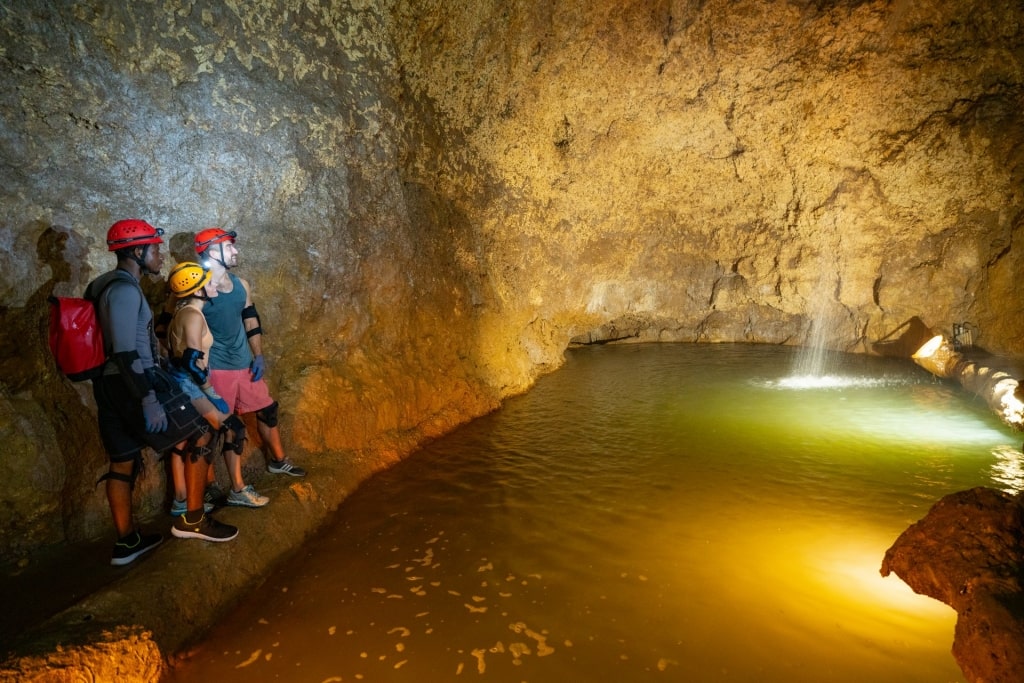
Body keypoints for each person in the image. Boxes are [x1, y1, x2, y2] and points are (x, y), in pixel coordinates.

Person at [86, 219, 236, 566]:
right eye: (154, 248)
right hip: (135, 380)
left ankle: (128, 542)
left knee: (122, 461)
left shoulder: (101, 285)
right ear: (138, 251)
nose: (158, 254)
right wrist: (148, 397)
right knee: (202, 431)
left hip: (108, 384)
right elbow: (125, 351)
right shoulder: (123, 290)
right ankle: (194, 518)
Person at [194, 227, 306, 477]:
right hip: (218, 368)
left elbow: (251, 320)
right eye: (229, 246)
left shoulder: (240, 284)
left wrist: (258, 356)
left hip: (243, 364)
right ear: (213, 251)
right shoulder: (198, 287)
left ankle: (278, 460)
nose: (236, 251)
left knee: (267, 410)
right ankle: (210, 484)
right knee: (217, 426)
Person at [165, 261, 269, 510]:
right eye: (207, 282)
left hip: (187, 383)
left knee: (192, 438)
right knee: (225, 429)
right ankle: (222, 493)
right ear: (198, 290)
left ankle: (185, 499)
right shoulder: (191, 314)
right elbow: (191, 361)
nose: (214, 283)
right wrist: (210, 391)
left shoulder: (189, 311)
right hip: (189, 385)